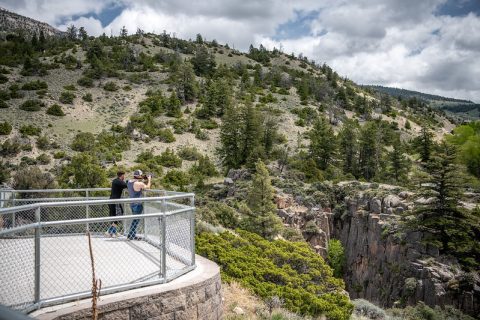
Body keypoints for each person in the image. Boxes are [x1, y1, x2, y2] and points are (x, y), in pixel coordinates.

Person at [126, 169, 151, 240]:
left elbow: (135, 184)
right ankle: (130, 235)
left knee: (135, 219)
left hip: (132, 203)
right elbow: (148, 187)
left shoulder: (130, 182)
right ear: (139, 176)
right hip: (138, 204)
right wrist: (149, 179)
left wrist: (142, 179)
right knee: (136, 220)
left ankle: (132, 234)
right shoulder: (138, 184)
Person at [106, 171, 128, 237]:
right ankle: (109, 231)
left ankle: (114, 232)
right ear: (122, 176)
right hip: (115, 202)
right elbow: (126, 185)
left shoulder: (115, 181)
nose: (124, 177)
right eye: (124, 176)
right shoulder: (118, 181)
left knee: (114, 217)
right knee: (118, 216)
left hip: (113, 201)